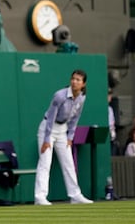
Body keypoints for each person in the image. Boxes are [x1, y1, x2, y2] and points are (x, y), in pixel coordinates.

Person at [34, 69, 93, 205]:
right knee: (45, 163)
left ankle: (75, 195)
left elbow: (75, 117)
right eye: (73, 79)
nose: (74, 82)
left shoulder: (82, 97)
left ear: (83, 84)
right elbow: (50, 118)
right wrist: (46, 139)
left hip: (63, 130)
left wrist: (70, 137)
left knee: (69, 163)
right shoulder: (59, 96)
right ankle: (40, 197)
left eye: (78, 80)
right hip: (47, 129)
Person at [107, 88, 120, 156]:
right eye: (108, 95)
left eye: (110, 95)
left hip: (112, 139)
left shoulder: (110, 109)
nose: (109, 97)